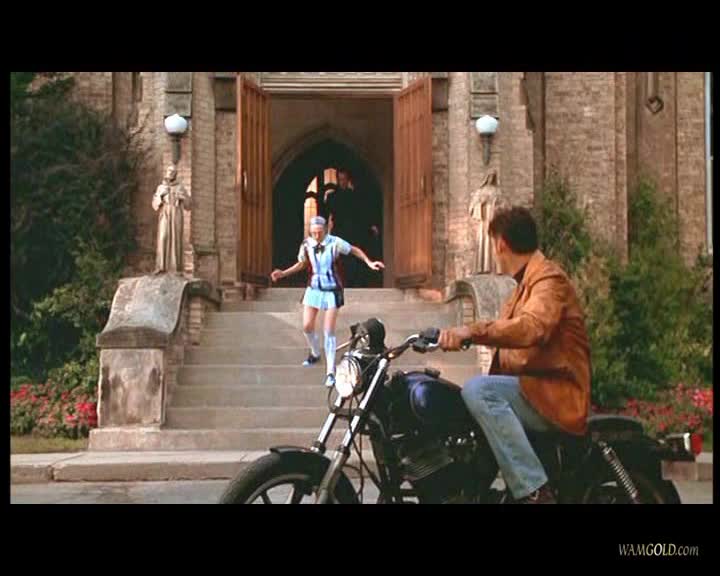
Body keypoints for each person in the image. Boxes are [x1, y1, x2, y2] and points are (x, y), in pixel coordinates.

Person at [438, 206, 591, 504]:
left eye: (494, 246)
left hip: (557, 395)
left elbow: (532, 328)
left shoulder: (548, 280)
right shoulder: (523, 287)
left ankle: (534, 491)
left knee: (480, 391)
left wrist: (471, 331)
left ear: (501, 244)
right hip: (536, 390)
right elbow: (511, 338)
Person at [270, 216, 385, 386]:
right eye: (313, 233)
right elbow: (302, 263)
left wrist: (369, 262)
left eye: (319, 232)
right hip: (314, 289)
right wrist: (283, 273)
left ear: (325, 230)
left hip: (332, 290)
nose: (317, 236)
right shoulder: (307, 244)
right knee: (307, 326)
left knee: (328, 330)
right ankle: (315, 353)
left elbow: (353, 250)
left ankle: (330, 372)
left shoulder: (335, 242)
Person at [152, 164, 191, 274]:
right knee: (163, 236)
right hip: (165, 214)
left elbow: (189, 205)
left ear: (175, 174)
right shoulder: (161, 187)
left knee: (175, 238)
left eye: (173, 172)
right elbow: (154, 205)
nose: (170, 173)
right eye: (169, 171)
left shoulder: (180, 187)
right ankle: (161, 266)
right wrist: (160, 197)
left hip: (176, 214)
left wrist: (183, 198)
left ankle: (175, 267)